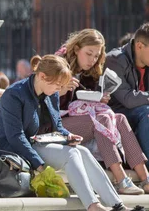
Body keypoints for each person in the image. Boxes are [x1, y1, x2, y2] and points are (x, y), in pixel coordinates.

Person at [0, 54, 145, 211]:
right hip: (15, 148)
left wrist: (67, 136)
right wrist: (38, 164)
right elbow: (15, 137)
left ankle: (117, 206)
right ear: (42, 76)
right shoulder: (14, 94)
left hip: (39, 142)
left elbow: (58, 125)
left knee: (81, 150)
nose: (59, 89)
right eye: (57, 85)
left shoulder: (51, 93)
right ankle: (93, 206)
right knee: (72, 154)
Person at [57, 29, 149, 194]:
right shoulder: (59, 65)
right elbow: (42, 100)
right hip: (55, 124)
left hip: (80, 120)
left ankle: (146, 179)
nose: (92, 60)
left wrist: (98, 98)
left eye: (96, 55)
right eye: (89, 53)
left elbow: (83, 102)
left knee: (119, 118)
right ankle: (122, 180)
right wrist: (61, 91)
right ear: (77, 49)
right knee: (102, 120)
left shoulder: (90, 72)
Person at [106, 23, 149, 168]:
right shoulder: (116, 59)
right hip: (116, 113)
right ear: (139, 46)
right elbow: (128, 100)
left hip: (139, 111)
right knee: (146, 112)